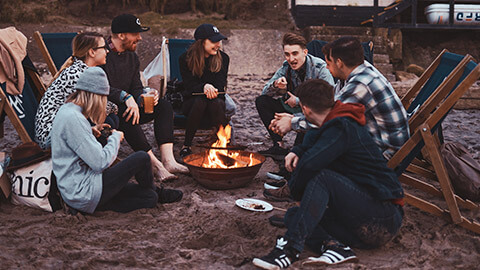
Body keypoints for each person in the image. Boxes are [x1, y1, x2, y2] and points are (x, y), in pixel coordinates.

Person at [253, 79, 404, 269]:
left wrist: (296, 193)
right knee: (294, 215)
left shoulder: (342, 126)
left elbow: (309, 165)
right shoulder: (333, 120)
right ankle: (335, 247)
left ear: (305, 109)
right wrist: (298, 150)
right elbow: (314, 135)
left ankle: (290, 250)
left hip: (383, 217)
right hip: (359, 221)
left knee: (322, 178)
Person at [51, 67, 183, 214]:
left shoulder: (68, 110)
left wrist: (91, 131)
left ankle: (154, 193)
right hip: (84, 191)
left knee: (148, 198)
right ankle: (157, 191)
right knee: (142, 157)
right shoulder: (74, 119)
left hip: (79, 192)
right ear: (95, 95)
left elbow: (75, 143)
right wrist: (115, 138)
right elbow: (100, 163)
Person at [270, 36, 409, 156]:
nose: (326, 67)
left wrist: (291, 123)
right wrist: (294, 117)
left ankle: (296, 179)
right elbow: (330, 105)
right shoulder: (355, 71)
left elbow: (330, 117)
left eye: (328, 63)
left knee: (322, 141)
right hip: (373, 136)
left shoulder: (361, 84)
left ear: (339, 63)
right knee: (317, 136)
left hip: (385, 151)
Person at [101, 14, 188, 181]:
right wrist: (127, 98)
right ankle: (155, 165)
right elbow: (100, 87)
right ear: (121, 35)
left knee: (163, 106)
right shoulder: (101, 53)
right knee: (127, 114)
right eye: (135, 34)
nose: (140, 38)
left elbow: (135, 87)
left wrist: (144, 95)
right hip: (107, 110)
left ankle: (168, 160)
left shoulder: (132, 56)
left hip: (130, 104)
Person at [255, 32, 334, 160]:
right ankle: (278, 145)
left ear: (305, 52)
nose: (291, 59)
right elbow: (264, 92)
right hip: (291, 108)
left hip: (311, 112)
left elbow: (329, 100)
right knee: (262, 101)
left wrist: (298, 101)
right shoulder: (286, 68)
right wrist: (275, 85)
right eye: (287, 54)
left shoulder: (320, 68)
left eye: (295, 53)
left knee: (298, 152)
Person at [34, 32, 118, 149]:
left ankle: (96, 155)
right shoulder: (77, 75)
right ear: (92, 52)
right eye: (104, 48)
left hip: (62, 127)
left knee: (111, 119)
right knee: (109, 120)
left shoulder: (80, 70)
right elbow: (94, 109)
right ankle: (95, 158)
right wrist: (115, 106)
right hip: (52, 137)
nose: (107, 51)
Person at [178, 23, 230, 158]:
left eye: (219, 40)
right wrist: (204, 87)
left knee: (215, 102)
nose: (218, 44)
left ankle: (222, 144)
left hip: (215, 102)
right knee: (200, 101)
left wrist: (210, 89)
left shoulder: (223, 59)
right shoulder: (185, 59)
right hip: (192, 103)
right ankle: (187, 145)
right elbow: (189, 86)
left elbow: (220, 86)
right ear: (201, 42)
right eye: (214, 41)